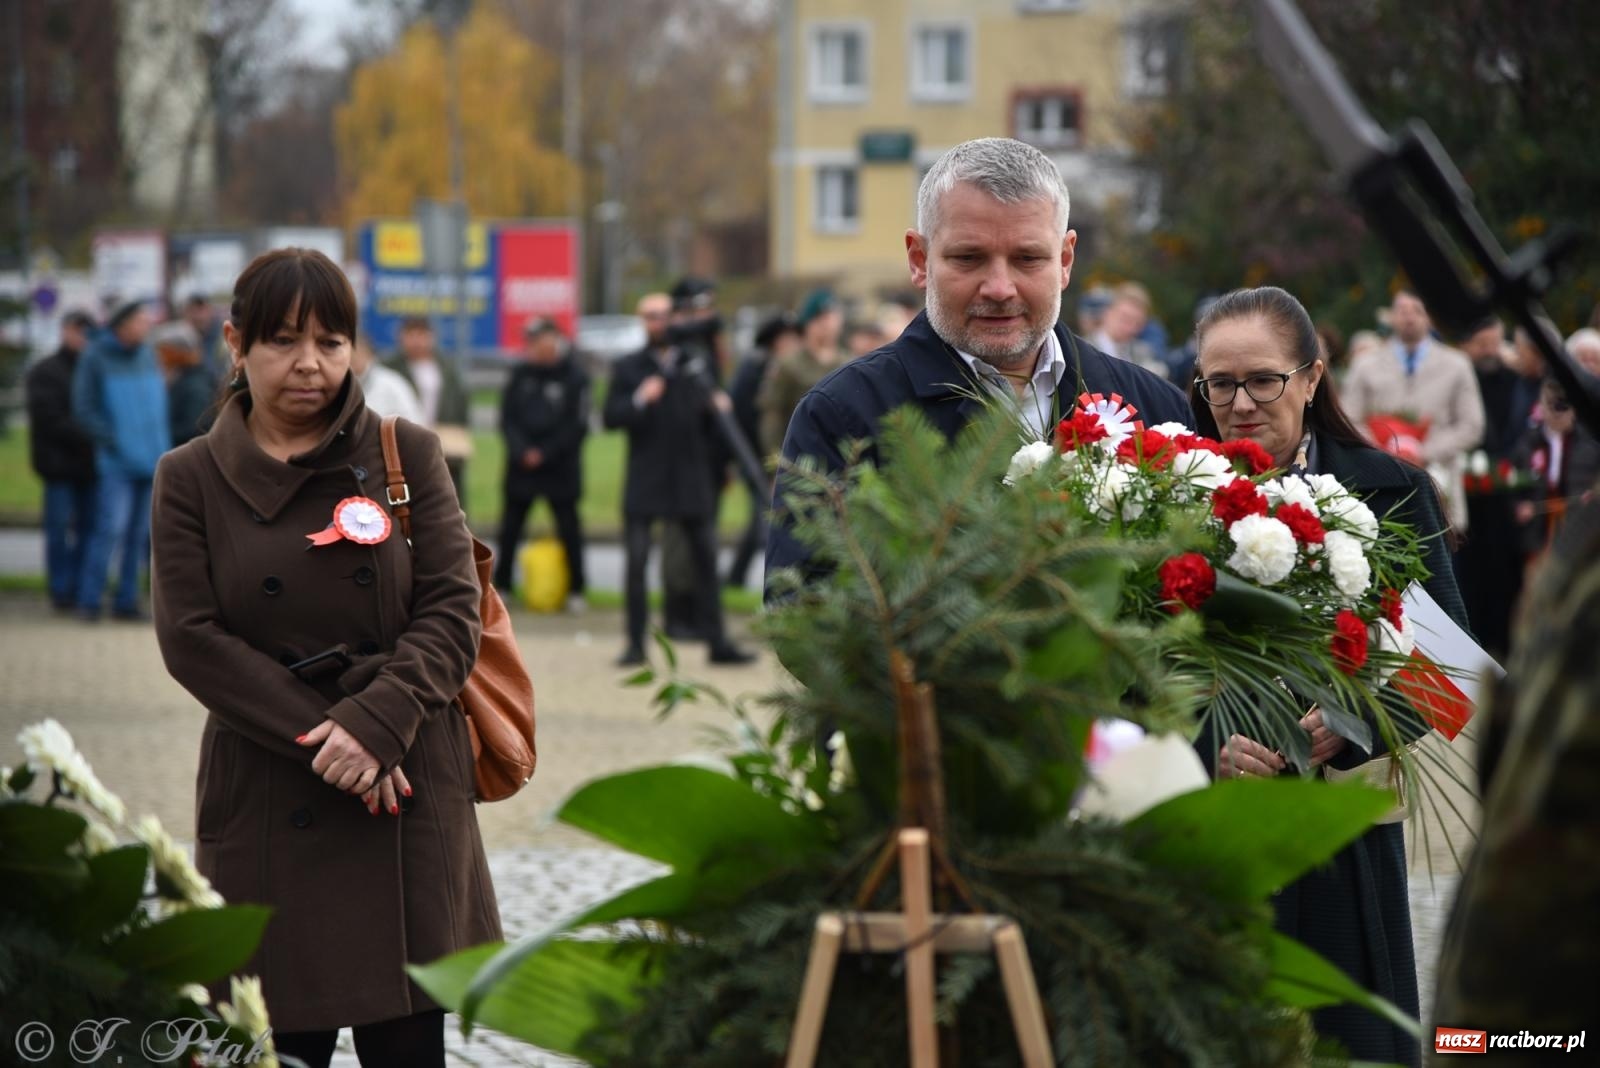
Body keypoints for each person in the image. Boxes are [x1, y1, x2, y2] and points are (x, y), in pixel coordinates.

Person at [149, 248, 499, 1068]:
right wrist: (332, 740)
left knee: (407, 1046)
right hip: (273, 787)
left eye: (332, 342)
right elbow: (190, 638)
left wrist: (377, 725)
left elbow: (454, 607)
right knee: (274, 1044)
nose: (311, 365)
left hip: (403, 787)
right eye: (283, 341)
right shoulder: (189, 478)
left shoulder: (403, 452)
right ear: (235, 344)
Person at [1188, 285, 1467, 1067]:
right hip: (1219, 829)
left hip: (1344, 833)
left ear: (1312, 377)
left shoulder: (1391, 489)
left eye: (1263, 380)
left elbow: (1445, 675)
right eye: (1219, 384)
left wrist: (1341, 728)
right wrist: (1215, 741)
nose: (1240, 404)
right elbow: (1138, 677)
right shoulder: (1167, 498)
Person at [768, 137, 1190, 581]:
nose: (999, 288)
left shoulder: (1157, 411)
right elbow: (803, 615)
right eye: (969, 258)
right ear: (920, 259)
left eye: (1028, 258)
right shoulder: (841, 416)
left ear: (1065, 260)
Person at [604, 292, 755, 667]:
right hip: (646, 477)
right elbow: (611, 417)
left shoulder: (695, 364)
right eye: (651, 316)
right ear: (642, 321)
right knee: (636, 562)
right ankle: (635, 644)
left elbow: (713, 424)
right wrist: (640, 398)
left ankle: (717, 641)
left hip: (691, 476)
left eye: (665, 315)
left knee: (705, 559)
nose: (660, 323)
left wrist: (719, 420)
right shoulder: (629, 367)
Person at [1340, 290, 1485, 532]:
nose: (1409, 318)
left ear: (1430, 316)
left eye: (1417, 310)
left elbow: (1472, 425)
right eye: (1402, 311)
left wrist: (1423, 452)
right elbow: (1348, 417)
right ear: (1391, 317)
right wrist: (1381, 450)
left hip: (1439, 481)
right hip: (1381, 479)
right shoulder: (1365, 365)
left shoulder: (1457, 364)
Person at [72, 299, 170, 621]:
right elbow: (84, 408)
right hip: (117, 464)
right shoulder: (95, 356)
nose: (147, 326)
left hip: (150, 460)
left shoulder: (147, 354)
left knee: (139, 535)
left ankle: (126, 602)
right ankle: (89, 600)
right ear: (123, 324)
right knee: (110, 530)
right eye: (141, 321)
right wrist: (115, 442)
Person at [493, 318, 590, 610]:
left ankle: (577, 589)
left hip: (560, 467)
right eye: (533, 341)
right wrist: (522, 450)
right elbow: (507, 419)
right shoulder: (520, 374)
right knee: (510, 527)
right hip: (521, 466)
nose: (538, 347)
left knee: (569, 527)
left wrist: (545, 453)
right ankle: (504, 585)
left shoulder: (575, 377)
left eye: (543, 339)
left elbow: (578, 425)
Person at [1457, 316, 1525, 656]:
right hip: (1466, 496)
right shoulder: (1460, 377)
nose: (1486, 351)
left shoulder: (1513, 379)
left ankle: (1502, 644)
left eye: (1492, 343)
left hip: (1504, 497)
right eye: (1480, 344)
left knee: (1502, 575)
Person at [24, 309, 99, 611]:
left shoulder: (94, 369)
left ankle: (81, 587)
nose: (82, 338)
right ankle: (60, 590)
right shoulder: (46, 371)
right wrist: (90, 434)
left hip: (88, 467)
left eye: (87, 332)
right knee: (58, 532)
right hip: (58, 466)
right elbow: (48, 417)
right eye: (77, 330)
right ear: (65, 331)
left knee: (89, 530)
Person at [724, 314, 800, 588]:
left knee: (762, 517)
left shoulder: (782, 367)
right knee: (763, 518)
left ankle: (735, 576)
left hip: (769, 456)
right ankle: (742, 577)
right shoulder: (755, 367)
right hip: (754, 455)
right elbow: (744, 414)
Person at [1509, 375, 1600, 559]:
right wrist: (1518, 506)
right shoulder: (1527, 443)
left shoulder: (1591, 443)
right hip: (1538, 533)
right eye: (1551, 405)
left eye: (1564, 406)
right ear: (1541, 405)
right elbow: (1511, 483)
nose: (1558, 413)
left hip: (1579, 529)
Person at [386, 317, 471, 503]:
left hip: (444, 442)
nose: (417, 341)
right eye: (411, 335)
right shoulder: (389, 369)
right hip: (405, 444)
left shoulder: (446, 368)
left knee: (447, 497)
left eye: (422, 335)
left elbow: (460, 404)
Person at [758, 288, 848, 456]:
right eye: (822, 319)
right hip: (800, 457)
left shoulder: (850, 362)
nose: (828, 325)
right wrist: (778, 464)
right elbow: (772, 418)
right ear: (808, 323)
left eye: (832, 317)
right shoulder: (788, 364)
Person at [1091, 281, 1168, 380]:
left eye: (1137, 323)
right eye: (1124, 318)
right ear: (1108, 313)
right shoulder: (1081, 348)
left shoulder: (1144, 353)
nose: (1130, 328)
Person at [153, 321, 214, 446]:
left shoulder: (195, 385)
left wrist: (159, 433)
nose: (159, 357)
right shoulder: (181, 377)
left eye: (163, 351)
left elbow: (194, 428)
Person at [350, 337, 423, 423]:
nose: (352, 357)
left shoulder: (392, 383)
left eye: (356, 352)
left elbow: (415, 420)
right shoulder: (338, 383)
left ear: (368, 353)